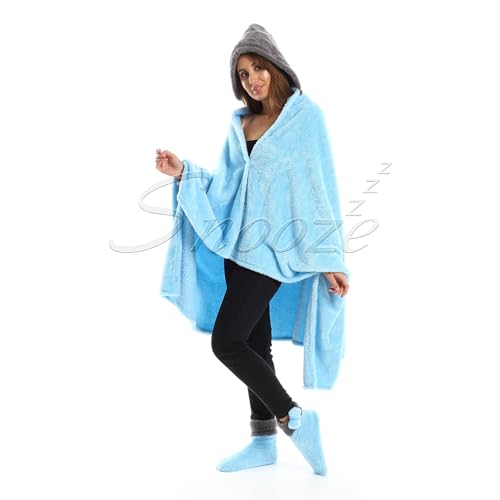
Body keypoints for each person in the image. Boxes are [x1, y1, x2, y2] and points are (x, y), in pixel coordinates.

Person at [155, 24, 350, 476]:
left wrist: (330, 258)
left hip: (274, 252)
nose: (252, 79)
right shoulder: (240, 124)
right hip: (237, 249)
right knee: (254, 344)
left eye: (258, 67)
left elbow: (318, 190)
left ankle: (294, 418)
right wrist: (184, 172)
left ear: (275, 66)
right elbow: (227, 188)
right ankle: (263, 441)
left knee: (227, 342)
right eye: (243, 74)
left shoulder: (305, 118)